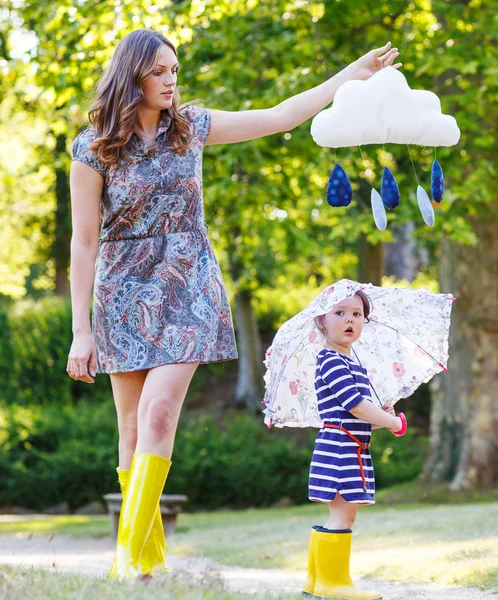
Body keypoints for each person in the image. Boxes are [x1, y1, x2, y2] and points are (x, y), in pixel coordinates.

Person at [66, 28, 401, 580]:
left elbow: (279, 115)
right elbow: (83, 241)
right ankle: (144, 562)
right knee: (129, 430)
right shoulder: (93, 147)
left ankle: (124, 557)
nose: (171, 80)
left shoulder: (191, 127)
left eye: (175, 69)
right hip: (122, 292)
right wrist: (82, 331)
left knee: (159, 412)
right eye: (159, 72)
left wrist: (350, 76)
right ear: (132, 77)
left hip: (188, 284)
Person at [302, 290, 406, 600]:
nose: (350, 319)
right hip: (340, 449)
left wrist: (381, 418)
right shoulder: (331, 360)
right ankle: (335, 584)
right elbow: (355, 405)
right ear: (322, 321)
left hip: (348, 445)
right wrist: (393, 423)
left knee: (342, 514)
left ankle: (316, 581)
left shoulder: (350, 362)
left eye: (357, 314)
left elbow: (358, 414)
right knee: (343, 515)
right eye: (340, 313)